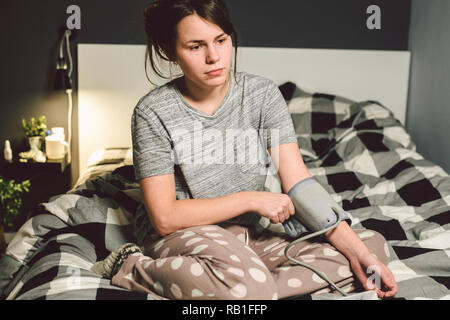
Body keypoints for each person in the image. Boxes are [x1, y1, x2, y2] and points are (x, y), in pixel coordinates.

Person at [91, 0, 398, 300]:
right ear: (171, 51)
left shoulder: (262, 94)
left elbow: (297, 183)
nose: (214, 56)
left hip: (247, 234)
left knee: (372, 248)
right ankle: (132, 267)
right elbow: (165, 217)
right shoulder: (152, 112)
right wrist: (252, 199)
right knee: (249, 286)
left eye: (221, 40)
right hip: (179, 233)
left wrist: (357, 252)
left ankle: (248, 281)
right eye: (195, 46)